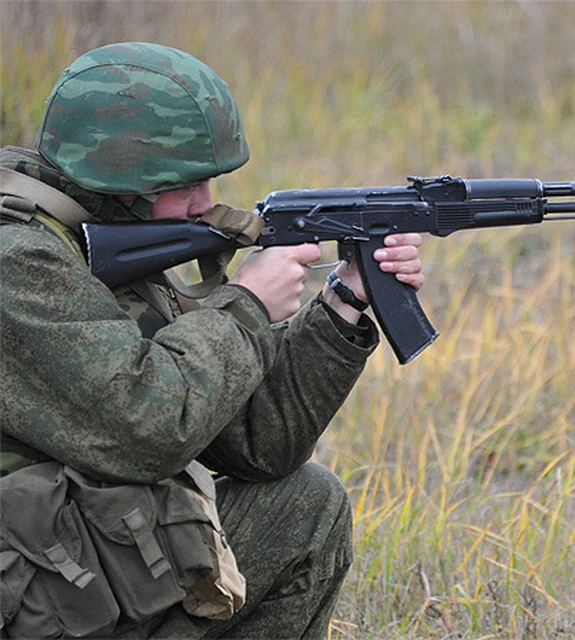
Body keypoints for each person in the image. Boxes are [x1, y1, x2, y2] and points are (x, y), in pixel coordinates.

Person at [0, 42, 423, 638]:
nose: (205, 203)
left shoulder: (100, 236)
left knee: (304, 501)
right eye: (186, 184)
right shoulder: (19, 264)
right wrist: (245, 306)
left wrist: (343, 301)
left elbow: (258, 446)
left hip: (72, 561)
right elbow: (145, 429)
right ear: (123, 177)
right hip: (33, 595)